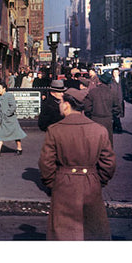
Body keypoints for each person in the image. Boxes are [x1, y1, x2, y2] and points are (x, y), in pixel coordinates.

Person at [38, 88, 116, 240]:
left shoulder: (55, 130)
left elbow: (46, 163)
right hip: (91, 183)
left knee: (64, 233)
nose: (60, 105)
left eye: (61, 102)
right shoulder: (99, 130)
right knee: (92, 232)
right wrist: (98, 180)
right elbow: (109, 163)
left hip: (64, 184)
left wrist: (53, 183)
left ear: (66, 105)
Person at [84, 72, 122, 146]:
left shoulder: (93, 92)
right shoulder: (113, 93)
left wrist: (90, 116)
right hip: (108, 120)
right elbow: (117, 109)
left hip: (95, 119)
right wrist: (112, 116)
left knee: (95, 142)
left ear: (100, 81)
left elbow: (87, 108)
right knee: (107, 142)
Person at [0, 82, 27, 156]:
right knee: (0, 135)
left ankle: (19, 148)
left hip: (10, 120)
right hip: (3, 120)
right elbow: (0, 111)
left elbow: (13, 106)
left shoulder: (9, 96)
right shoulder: (1, 97)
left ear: (4, 89)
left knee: (16, 135)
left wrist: (7, 114)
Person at [111, 68, 124, 133]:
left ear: (119, 73)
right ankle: (119, 128)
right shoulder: (111, 81)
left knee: (117, 113)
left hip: (120, 98)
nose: (115, 74)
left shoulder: (122, 80)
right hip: (113, 99)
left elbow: (124, 89)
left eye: (116, 72)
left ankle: (114, 127)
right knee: (115, 113)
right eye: (114, 72)